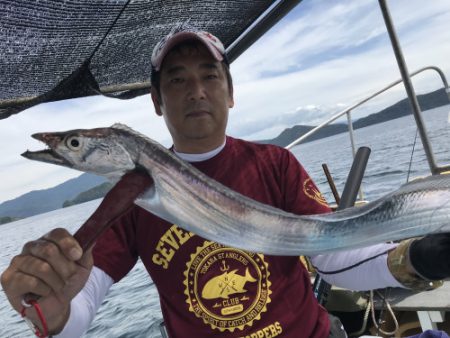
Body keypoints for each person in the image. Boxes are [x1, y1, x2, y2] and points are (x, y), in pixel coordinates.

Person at [2, 23, 450, 338]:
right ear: (156, 102)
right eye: (177, 81)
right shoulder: (128, 200)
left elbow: (332, 254)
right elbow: (84, 301)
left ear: (230, 93)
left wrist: (425, 257)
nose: (195, 91)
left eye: (209, 76)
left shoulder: (275, 163)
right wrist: (54, 314)